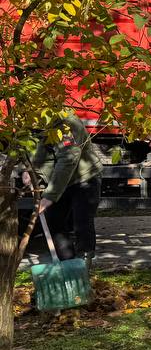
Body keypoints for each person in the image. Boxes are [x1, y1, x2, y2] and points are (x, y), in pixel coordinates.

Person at [30, 112, 104, 268]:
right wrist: (28, 171)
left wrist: (50, 196)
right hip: (58, 180)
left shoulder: (66, 124)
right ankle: (68, 265)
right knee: (54, 223)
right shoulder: (34, 120)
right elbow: (32, 151)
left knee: (82, 222)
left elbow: (68, 159)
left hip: (84, 178)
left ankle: (84, 264)